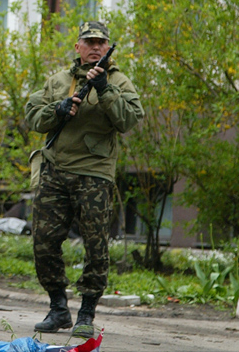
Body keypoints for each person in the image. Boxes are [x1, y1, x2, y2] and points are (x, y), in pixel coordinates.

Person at [25, 21, 144, 338]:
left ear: (107, 49)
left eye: (100, 43)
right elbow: (33, 116)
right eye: (88, 42)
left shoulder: (119, 81)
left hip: (94, 174)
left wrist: (104, 88)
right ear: (77, 47)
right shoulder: (58, 80)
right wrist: (58, 109)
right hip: (55, 171)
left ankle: (87, 312)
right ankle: (58, 308)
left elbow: (128, 119)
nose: (95, 47)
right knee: (44, 242)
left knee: (95, 247)